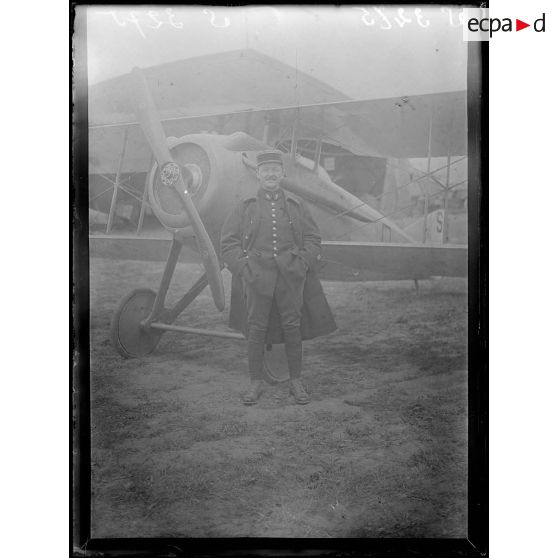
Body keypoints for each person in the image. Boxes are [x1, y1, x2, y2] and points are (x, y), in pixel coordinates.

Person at [220, 150, 336, 405]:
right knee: (256, 329)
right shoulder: (245, 205)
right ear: (258, 174)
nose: (270, 174)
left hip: (290, 277)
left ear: (282, 174)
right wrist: (243, 268)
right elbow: (228, 243)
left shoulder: (296, 204)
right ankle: (255, 383)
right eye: (265, 170)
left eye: (275, 169)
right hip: (256, 276)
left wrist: (302, 263)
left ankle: (296, 381)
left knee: (292, 327)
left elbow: (313, 239)